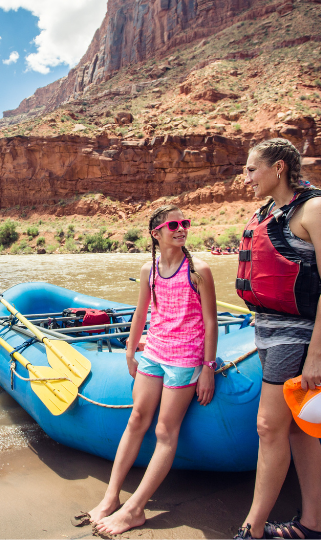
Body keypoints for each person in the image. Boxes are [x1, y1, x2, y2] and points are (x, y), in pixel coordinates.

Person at [234, 138, 321, 539]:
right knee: (297, 427)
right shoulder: (268, 211)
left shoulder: (316, 209)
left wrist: (317, 355)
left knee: (269, 426)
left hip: (296, 337)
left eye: (251, 169)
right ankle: (314, 523)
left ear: (278, 168)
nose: (245, 178)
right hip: (268, 329)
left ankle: (254, 528)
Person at [86, 204, 219, 536]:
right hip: (154, 352)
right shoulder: (150, 270)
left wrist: (207, 368)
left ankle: (135, 509)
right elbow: (140, 312)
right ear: (155, 233)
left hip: (186, 358)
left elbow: (211, 321)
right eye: (173, 224)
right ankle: (110, 498)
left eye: (185, 223)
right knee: (136, 419)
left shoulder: (198, 270)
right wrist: (131, 351)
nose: (181, 228)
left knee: (164, 431)